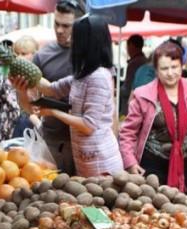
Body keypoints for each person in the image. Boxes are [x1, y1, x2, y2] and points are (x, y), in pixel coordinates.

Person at [14, 14, 123, 177]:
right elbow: (51, 89)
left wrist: (53, 112)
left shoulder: (98, 77)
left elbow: (88, 126)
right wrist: (22, 75)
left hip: (101, 163)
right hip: (86, 160)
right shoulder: (83, 75)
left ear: (87, 44)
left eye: (75, 37)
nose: (71, 41)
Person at [119, 41, 187, 195]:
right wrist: (130, 162)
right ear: (156, 70)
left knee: (186, 210)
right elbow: (127, 133)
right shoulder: (143, 94)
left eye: (174, 67)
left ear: (182, 66)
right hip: (152, 166)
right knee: (155, 210)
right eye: (164, 68)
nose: (170, 73)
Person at [22, 0, 85, 176]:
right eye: (56, 23)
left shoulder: (91, 55)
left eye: (66, 26)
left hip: (87, 144)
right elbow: (30, 105)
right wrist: (22, 92)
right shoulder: (42, 56)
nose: (59, 30)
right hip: (53, 143)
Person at [0, 36, 38, 143]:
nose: (19, 57)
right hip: (7, 131)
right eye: (16, 54)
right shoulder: (1, 72)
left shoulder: (38, 74)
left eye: (24, 54)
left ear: (34, 55)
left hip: (34, 131)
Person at [120, 34, 147, 116]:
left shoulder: (134, 63)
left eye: (127, 46)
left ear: (131, 45)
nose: (127, 49)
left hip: (132, 104)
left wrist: (118, 91)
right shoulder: (145, 60)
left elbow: (127, 87)